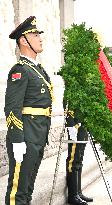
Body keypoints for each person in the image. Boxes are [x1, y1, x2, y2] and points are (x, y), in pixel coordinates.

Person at [4, 16, 53, 205]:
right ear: (23, 41)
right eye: (35, 34)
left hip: (37, 135)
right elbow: (12, 108)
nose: (40, 38)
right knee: (18, 191)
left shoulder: (37, 69)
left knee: (28, 189)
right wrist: (17, 140)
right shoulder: (21, 70)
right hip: (26, 136)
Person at [65, 108, 93, 205]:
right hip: (75, 126)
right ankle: (72, 195)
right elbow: (68, 103)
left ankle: (78, 192)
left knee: (79, 160)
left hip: (83, 126)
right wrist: (70, 124)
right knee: (73, 159)